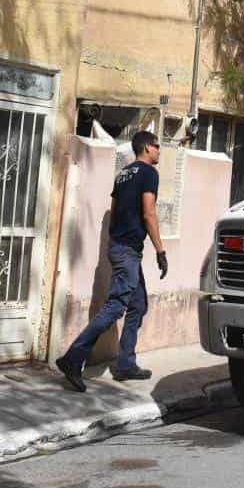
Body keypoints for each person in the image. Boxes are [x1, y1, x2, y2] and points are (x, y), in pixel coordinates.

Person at [56, 130, 169, 391]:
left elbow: (117, 210)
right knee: (115, 306)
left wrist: (119, 241)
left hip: (119, 246)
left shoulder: (123, 174)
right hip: (127, 250)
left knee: (138, 305)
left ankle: (126, 364)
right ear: (147, 148)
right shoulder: (150, 173)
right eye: (158, 146)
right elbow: (149, 212)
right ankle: (73, 359)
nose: (159, 151)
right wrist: (161, 251)